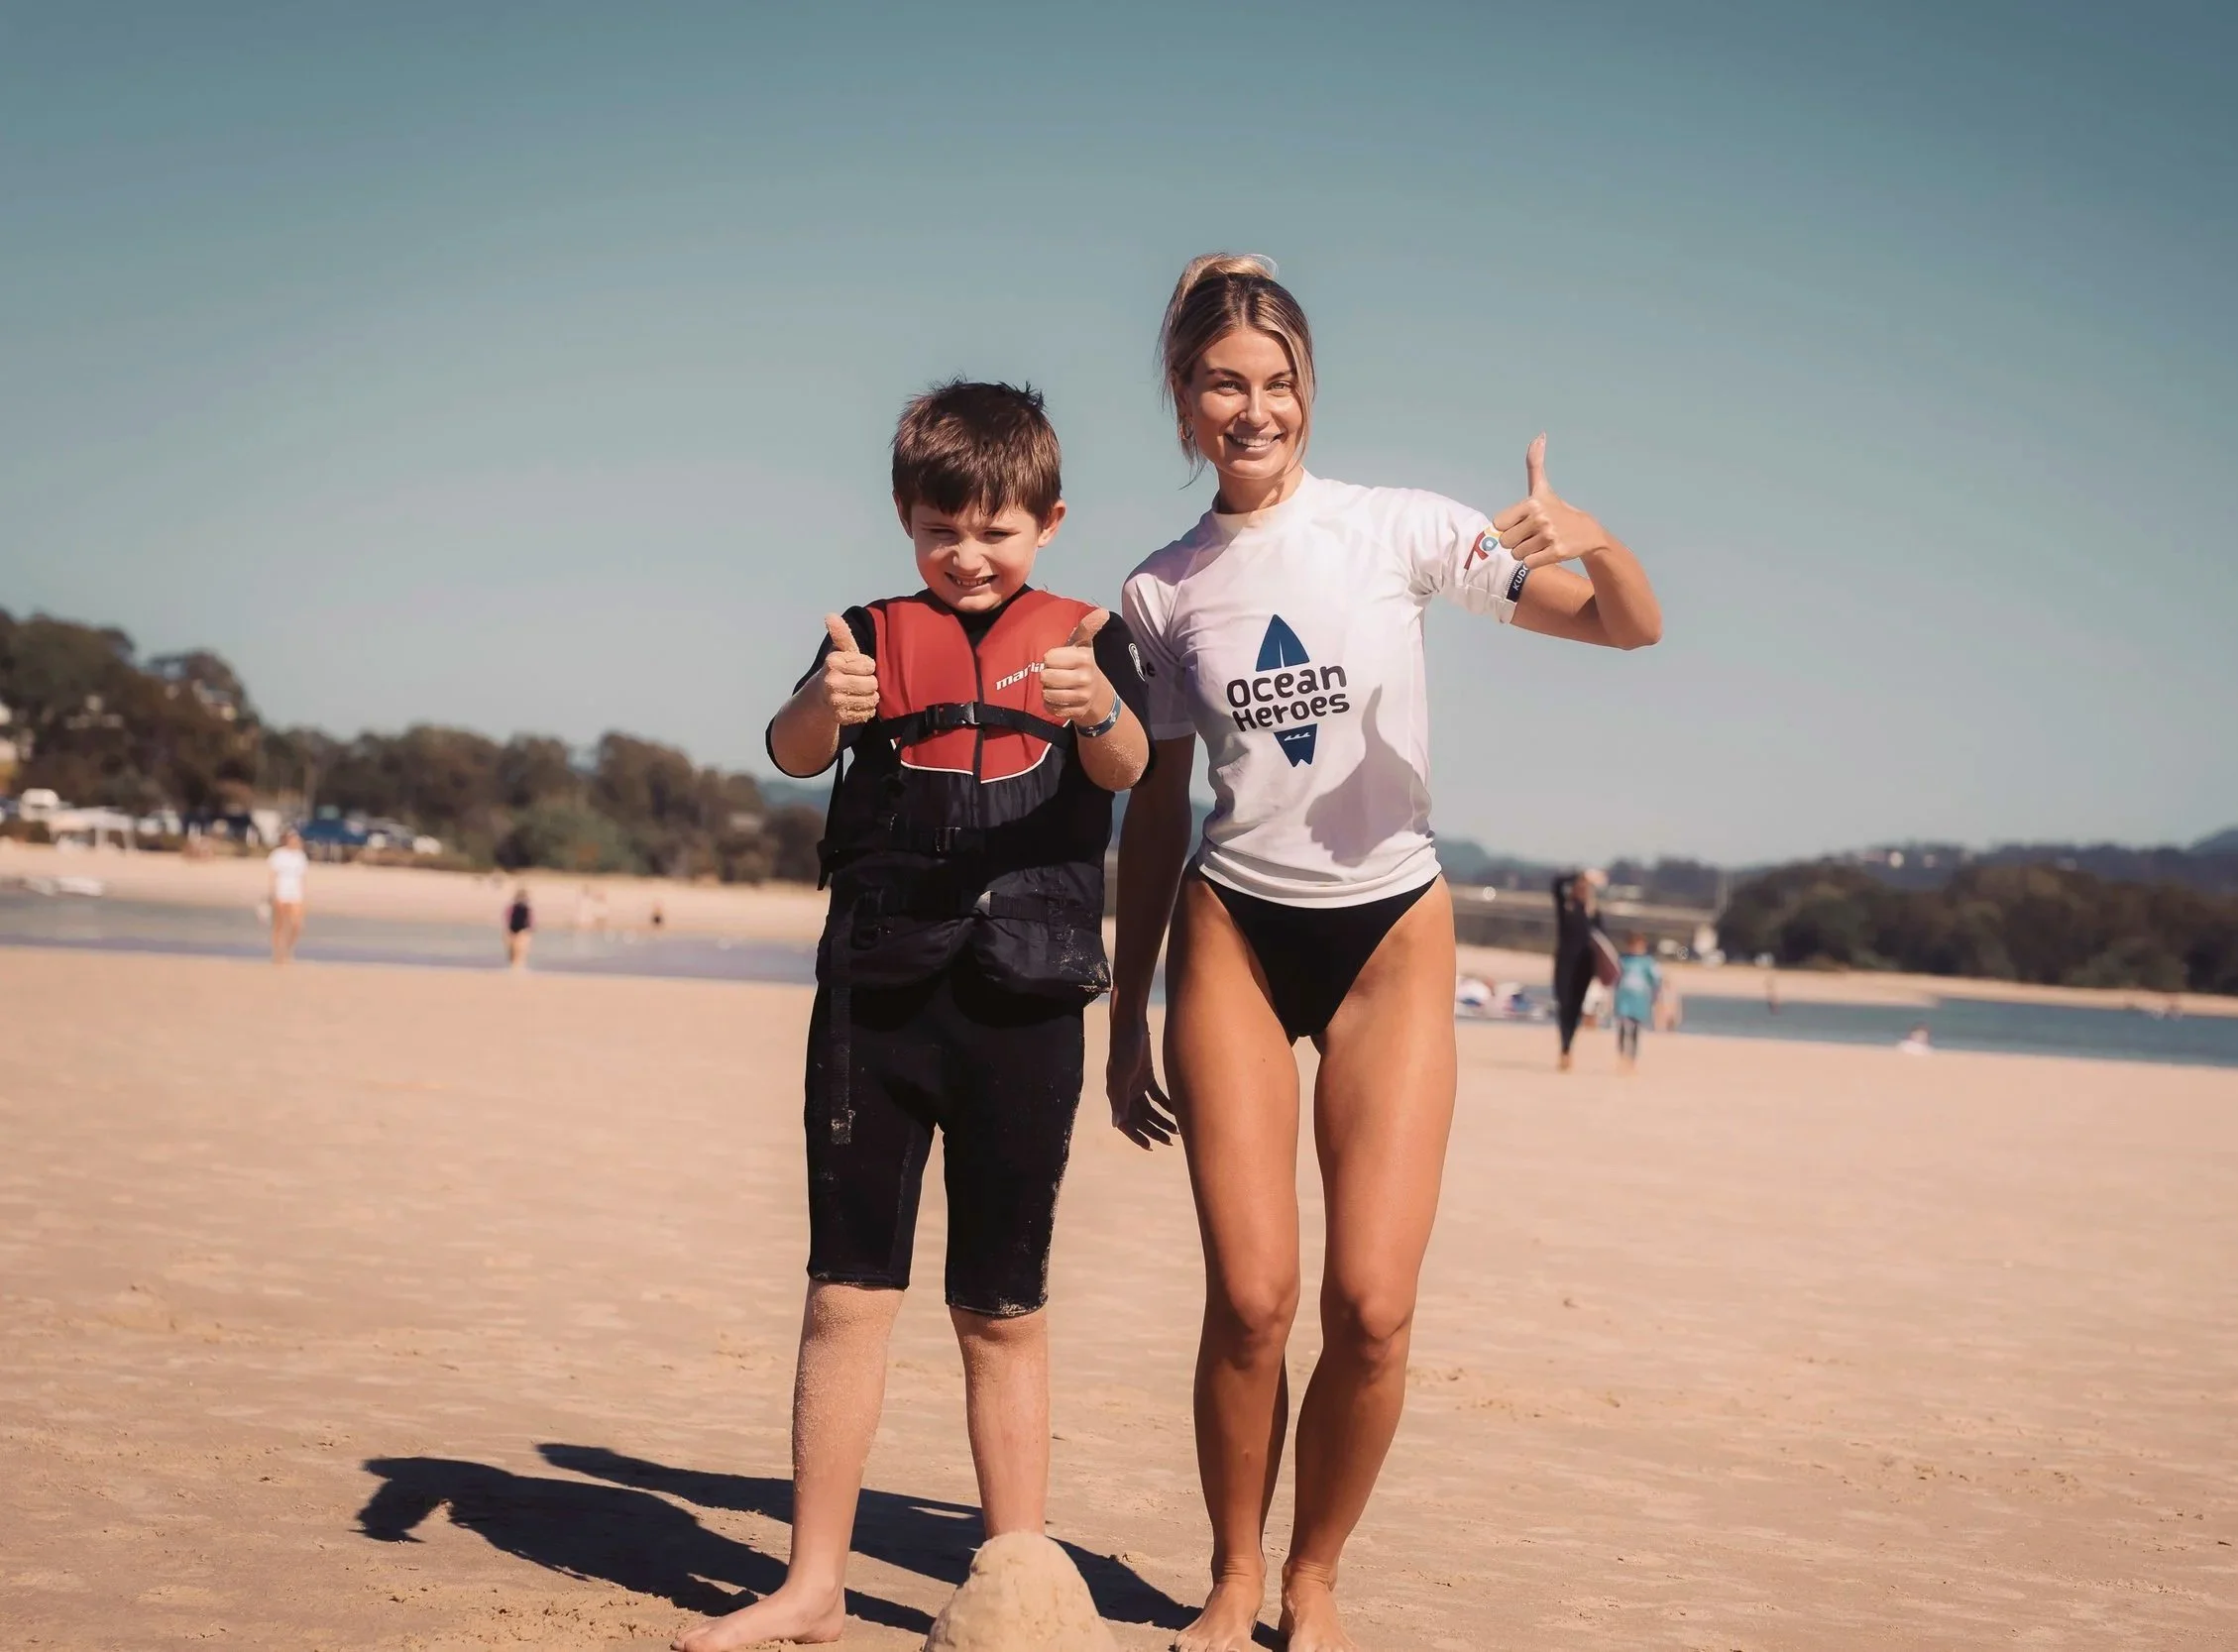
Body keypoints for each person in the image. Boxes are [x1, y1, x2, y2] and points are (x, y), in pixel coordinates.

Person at [1108, 255, 1662, 1652]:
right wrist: (1122, 1016)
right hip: (1231, 925)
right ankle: (1231, 1572)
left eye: (1278, 381)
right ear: (1183, 400)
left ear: (1308, 393)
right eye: (1225, 382)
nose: (1255, 406)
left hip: (1387, 938)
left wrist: (1587, 532)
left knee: (1369, 1304)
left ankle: (1316, 1574)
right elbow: (1155, 807)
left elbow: (1624, 623)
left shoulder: (1399, 531)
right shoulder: (1161, 589)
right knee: (1249, 1296)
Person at [673, 381, 1152, 1652]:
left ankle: (1020, 1581)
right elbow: (785, 751)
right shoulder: (866, 635)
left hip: (1025, 1000)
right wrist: (824, 705)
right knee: (846, 1290)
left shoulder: (1089, 638)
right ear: (905, 518)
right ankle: (813, 1581)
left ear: (1048, 522)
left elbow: (1132, 764)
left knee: (1003, 1306)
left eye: (996, 528)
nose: (969, 553)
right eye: (943, 527)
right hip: (877, 998)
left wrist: (1094, 706)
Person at [1551, 867, 1614, 1071]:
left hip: (1584, 968)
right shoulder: (1566, 908)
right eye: (1580, 887)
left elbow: (1601, 943)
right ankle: (1564, 1047)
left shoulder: (1593, 914)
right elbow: (1556, 884)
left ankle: (1568, 1049)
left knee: (1575, 1009)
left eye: (1585, 888)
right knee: (1563, 1006)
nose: (1582, 890)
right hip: (1564, 965)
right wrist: (1581, 874)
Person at [1612, 931, 1662, 1070]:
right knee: (1622, 1027)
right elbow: (1615, 977)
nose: (1635, 949)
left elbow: (1656, 981)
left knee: (1635, 1030)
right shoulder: (1623, 960)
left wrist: (1655, 997)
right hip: (1623, 998)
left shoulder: (1648, 963)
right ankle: (1622, 1056)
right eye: (1633, 945)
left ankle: (1632, 1059)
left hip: (1639, 1000)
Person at [266, 827, 307, 965]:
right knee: (279, 924)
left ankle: (288, 950)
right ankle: (277, 953)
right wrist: (272, 893)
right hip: (281, 891)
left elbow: (302, 877)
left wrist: (304, 895)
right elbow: (273, 874)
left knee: (297, 924)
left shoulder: (300, 856)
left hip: (296, 893)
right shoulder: (278, 854)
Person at [504, 885, 532, 969]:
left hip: (520, 927)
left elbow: (508, 916)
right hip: (516, 927)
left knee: (518, 946)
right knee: (515, 947)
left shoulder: (524, 908)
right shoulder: (516, 907)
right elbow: (508, 917)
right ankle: (515, 963)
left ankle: (517, 963)